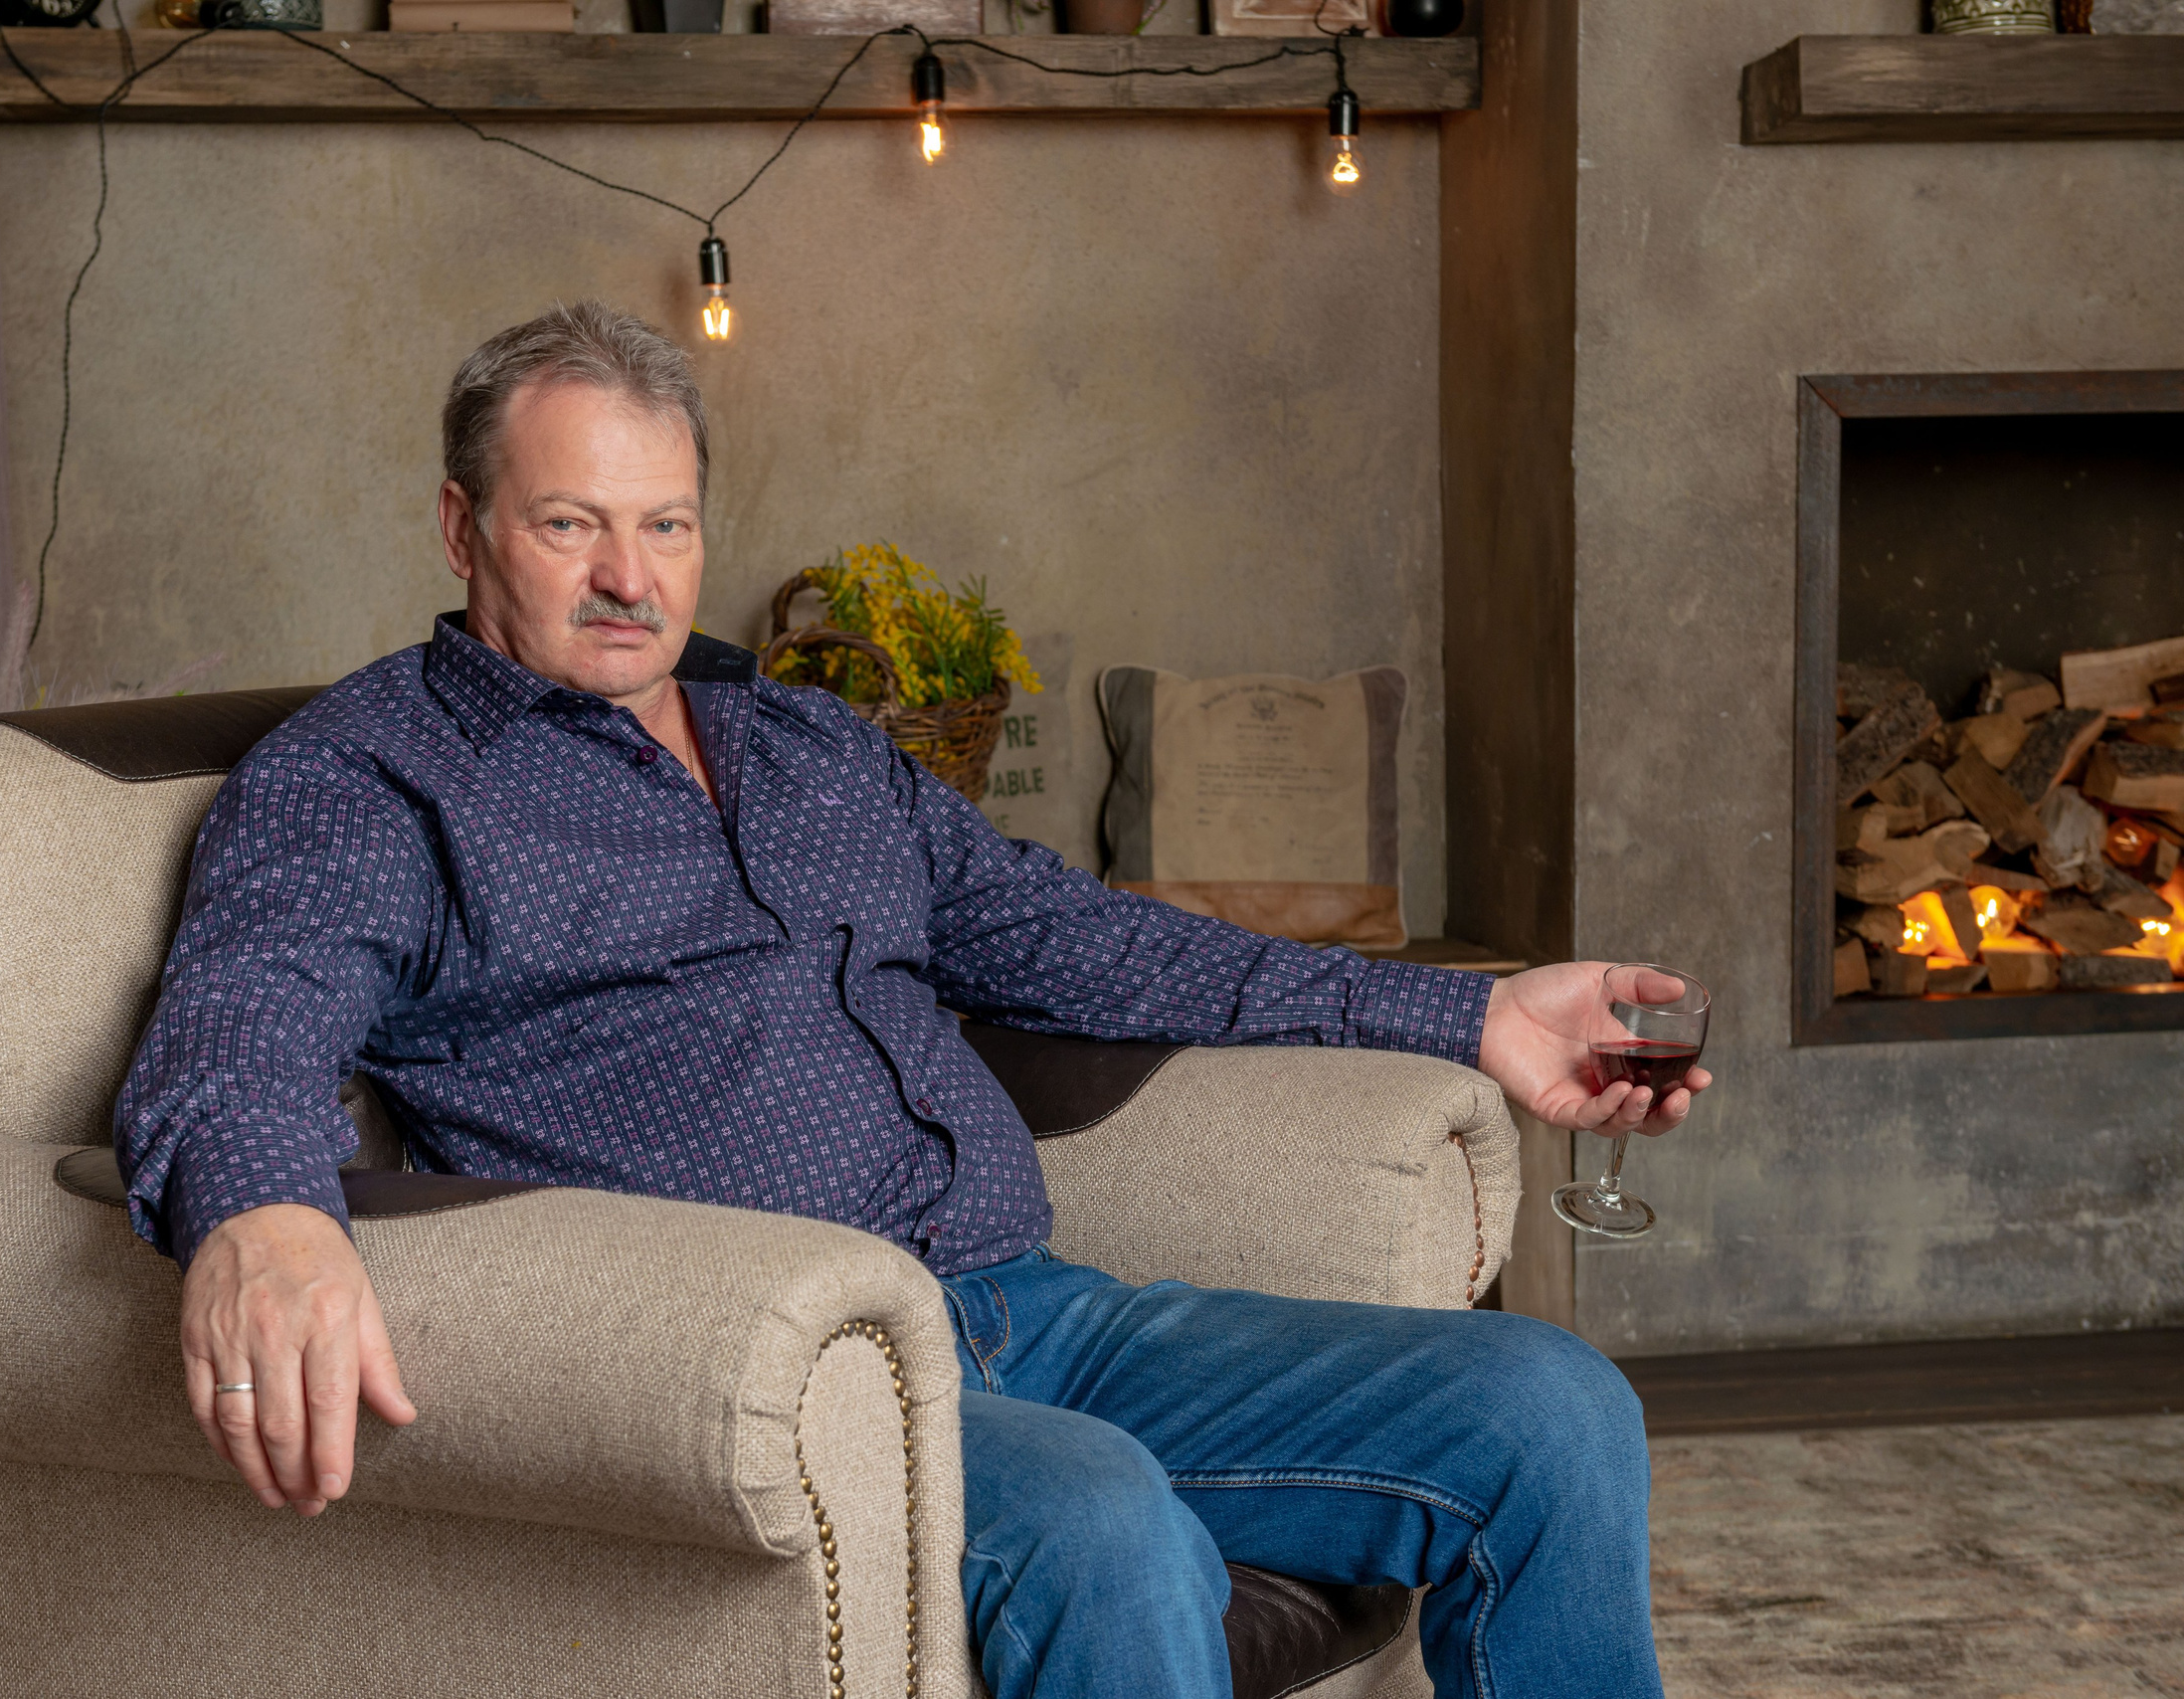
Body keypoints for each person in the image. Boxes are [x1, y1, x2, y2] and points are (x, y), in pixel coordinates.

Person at [114, 300, 1709, 1699]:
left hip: (1043, 1312)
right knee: (1096, 1521)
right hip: (789, 1365)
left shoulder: (810, 748)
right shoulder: (370, 777)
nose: (628, 579)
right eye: (567, 526)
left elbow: (1084, 942)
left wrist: (1478, 1015)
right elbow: (248, 1007)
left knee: (1549, 1410)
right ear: (460, 529)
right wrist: (263, 1211)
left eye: (665, 526)